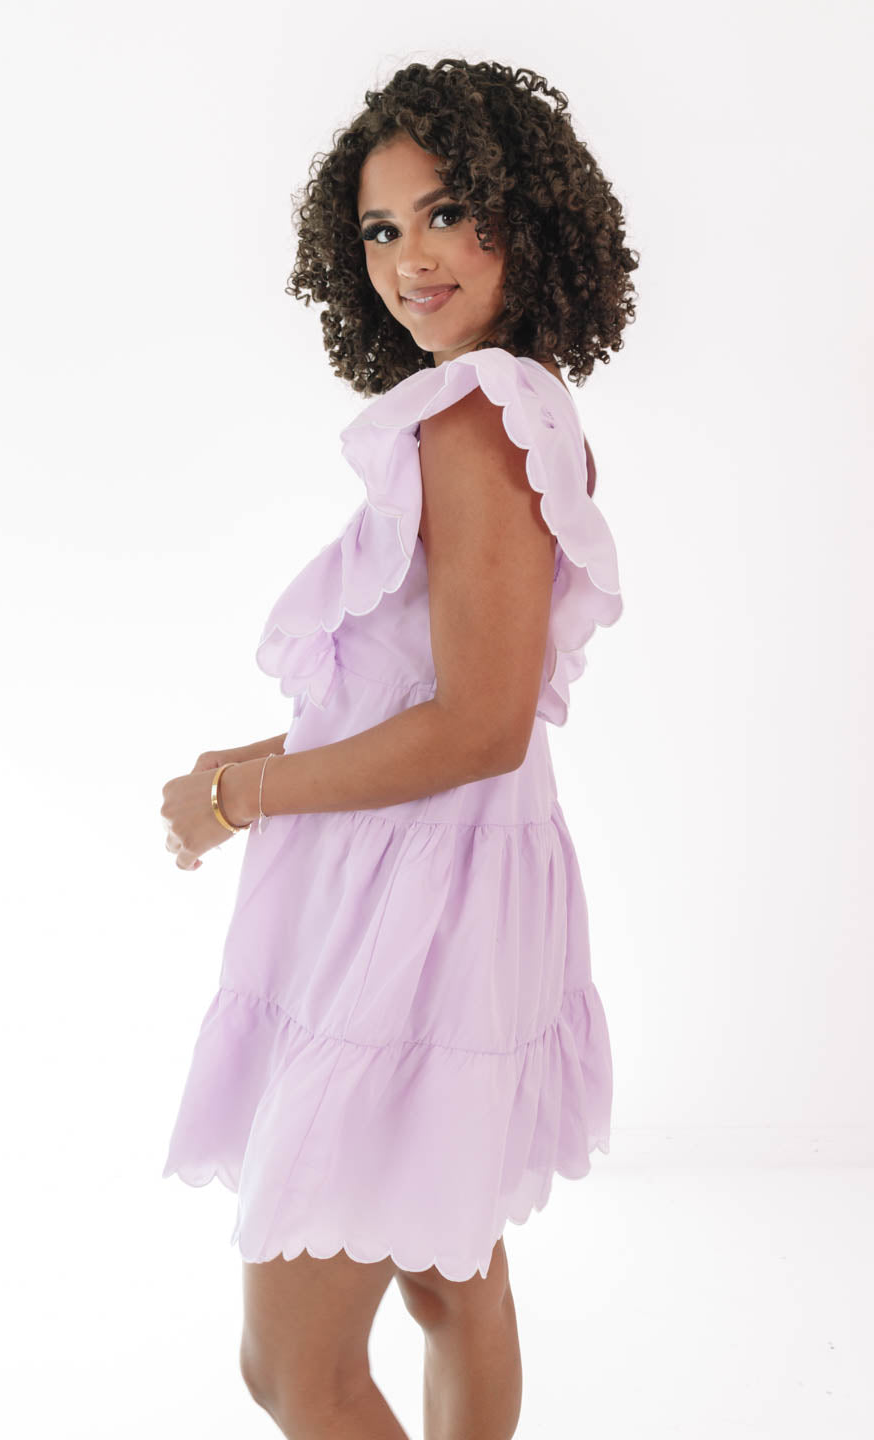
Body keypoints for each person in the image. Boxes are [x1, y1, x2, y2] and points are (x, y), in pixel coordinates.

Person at [160, 56, 638, 1440]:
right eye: (380, 229)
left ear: (523, 215)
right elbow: (445, 692)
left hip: (413, 925)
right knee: (449, 1281)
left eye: (445, 213)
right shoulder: (524, 403)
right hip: (457, 894)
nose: (409, 260)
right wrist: (251, 758)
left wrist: (243, 795)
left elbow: (480, 727)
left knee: (293, 1370)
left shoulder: (473, 422)